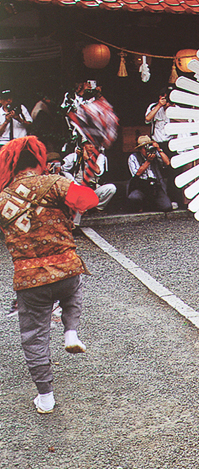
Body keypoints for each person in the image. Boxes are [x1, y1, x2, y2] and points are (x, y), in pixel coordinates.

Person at [0, 136, 99, 413]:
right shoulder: (54, 183)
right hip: (67, 270)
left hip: (30, 280)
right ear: (38, 159)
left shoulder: (3, 197)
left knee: (34, 336)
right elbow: (88, 200)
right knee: (74, 290)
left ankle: (46, 397)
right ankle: (71, 331)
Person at [61, 140, 116, 224]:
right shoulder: (75, 156)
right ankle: (76, 221)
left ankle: (96, 208)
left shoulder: (99, 156)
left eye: (93, 144)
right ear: (83, 146)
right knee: (77, 198)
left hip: (92, 189)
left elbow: (98, 171)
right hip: (79, 188)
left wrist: (88, 159)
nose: (91, 146)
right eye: (88, 144)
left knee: (111, 188)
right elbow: (62, 168)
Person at [144, 88, 181, 206]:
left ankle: (173, 198)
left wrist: (171, 110)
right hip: (157, 142)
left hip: (171, 142)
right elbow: (147, 119)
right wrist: (159, 106)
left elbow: (184, 120)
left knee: (173, 171)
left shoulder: (176, 108)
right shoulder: (153, 107)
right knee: (156, 171)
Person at [127, 135, 173, 213]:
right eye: (144, 147)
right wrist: (148, 162)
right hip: (141, 186)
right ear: (140, 149)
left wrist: (158, 149)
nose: (147, 149)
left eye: (148, 146)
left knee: (167, 206)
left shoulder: (155, 154)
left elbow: (167, 162)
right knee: (134, 197)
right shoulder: (133, 157)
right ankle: (142, 205)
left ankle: (152, 204)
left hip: (155, 186)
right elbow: (137, 174)